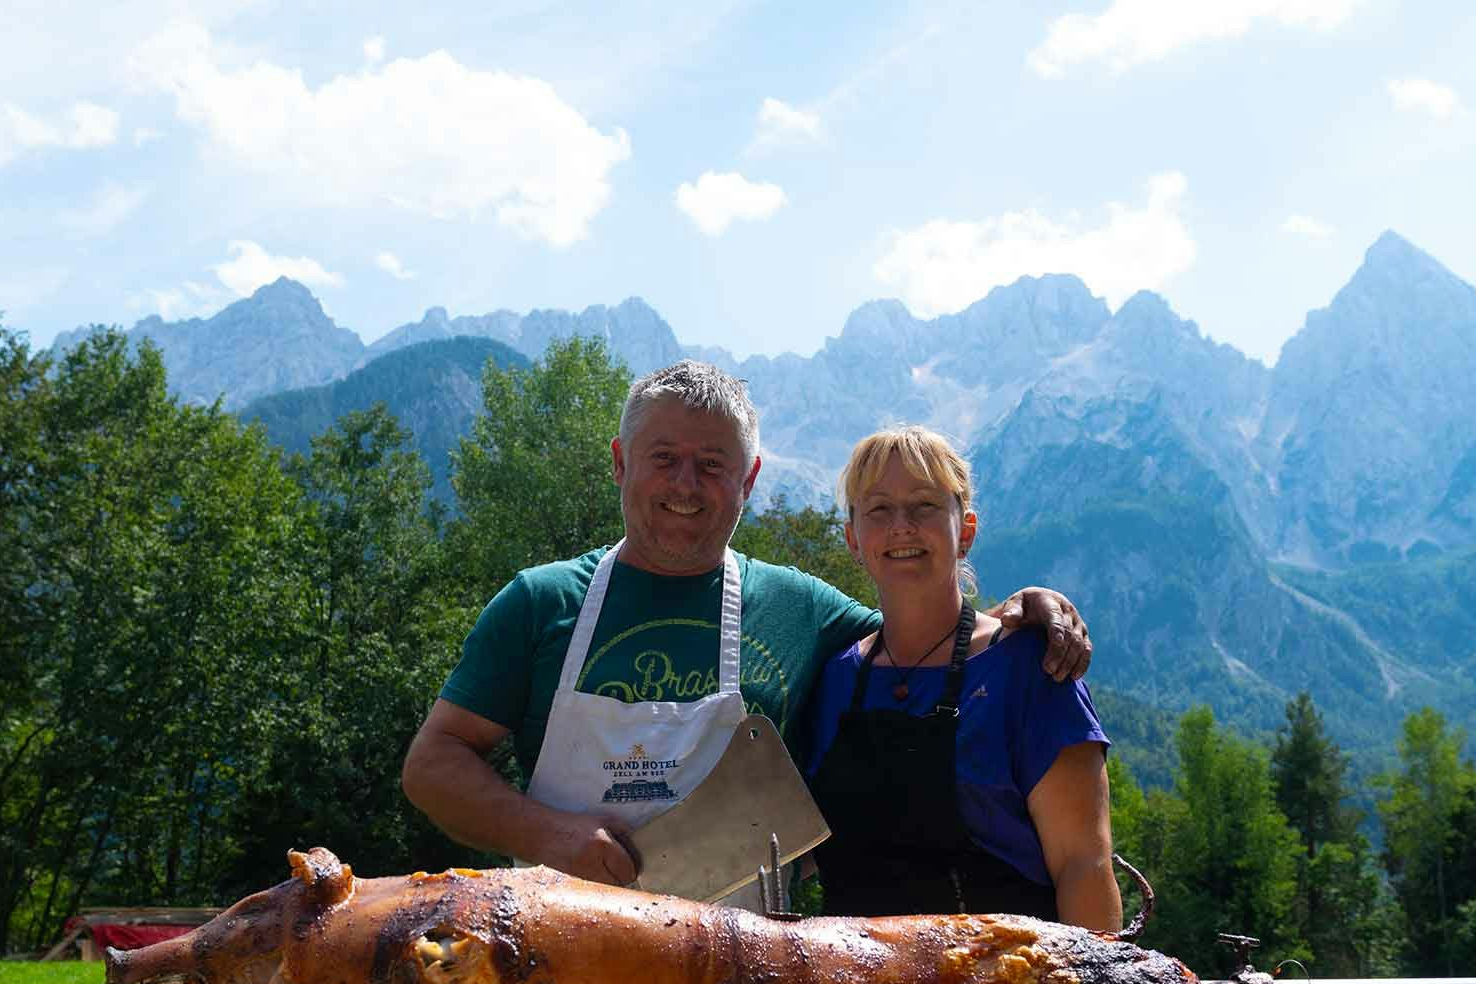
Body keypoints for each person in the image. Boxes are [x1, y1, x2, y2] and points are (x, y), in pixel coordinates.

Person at [401, 361, 1093, 890]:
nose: (685, 485)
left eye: (712, 465)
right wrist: (552, 834)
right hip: (558, 959)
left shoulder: (799, 609)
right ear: (619, 463)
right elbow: (432, 765)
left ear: (750, 479)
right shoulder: (538, 602)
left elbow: (926, 630)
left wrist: (1022, 609)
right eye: (663, 458)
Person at [805, 425, 1121, 929]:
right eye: (879, 509)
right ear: (853, 540)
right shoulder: (835, 678)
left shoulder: (1029, 669)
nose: (902, 526)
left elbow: (1083, 865)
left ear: (965, 531)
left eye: (925, 505)